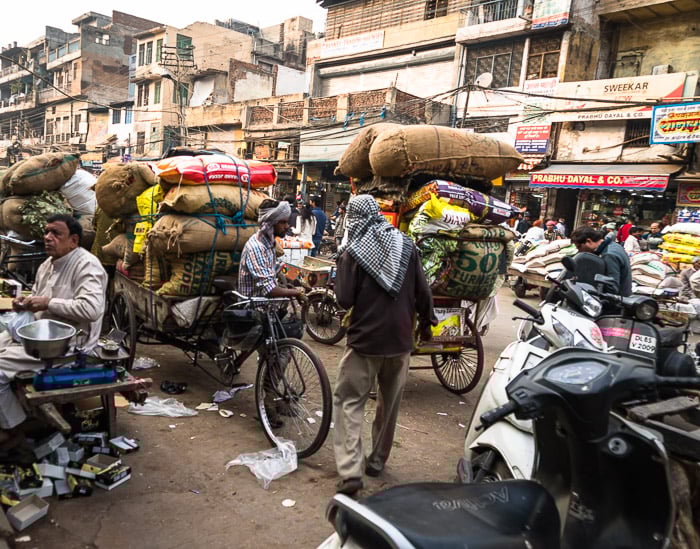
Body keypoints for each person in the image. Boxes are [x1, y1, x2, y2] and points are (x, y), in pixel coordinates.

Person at [332, 195, 436, 496]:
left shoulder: (353, 252)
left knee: (349, 402)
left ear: (354, 217)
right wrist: (427, 323)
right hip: (401, 339)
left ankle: (350, 471)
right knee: (389, 406)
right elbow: (423, 290)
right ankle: (377, 461)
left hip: (366, 340)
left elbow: (344, 299)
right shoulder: (406, 245)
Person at [0, 215, 108, 443]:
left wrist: (47, 303)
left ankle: (16, 430)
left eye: (56, 233)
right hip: (42, 336)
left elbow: (91, 309)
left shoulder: (87, 265)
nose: (48, 238)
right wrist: (25, 304)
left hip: (69, 347)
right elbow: (39, 299)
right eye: (47, 232)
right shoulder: (47, 265)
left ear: (74, 240)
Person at [238, 199, 305, 300]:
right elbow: (269, 289)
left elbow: (276, 268)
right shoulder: (257, 248)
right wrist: (296, 292)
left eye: (287, 222)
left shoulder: (269, 243)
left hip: (268, 306)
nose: (287, 226)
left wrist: (299, 277)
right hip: (254, 308)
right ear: (270, 223)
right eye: (282, 222)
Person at [571, 226, 632, 296]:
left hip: (618, 301)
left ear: (588, 241)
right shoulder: (613, 246)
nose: (579, 251)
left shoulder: (609, 255)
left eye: (579, 247)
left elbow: (612, 287)